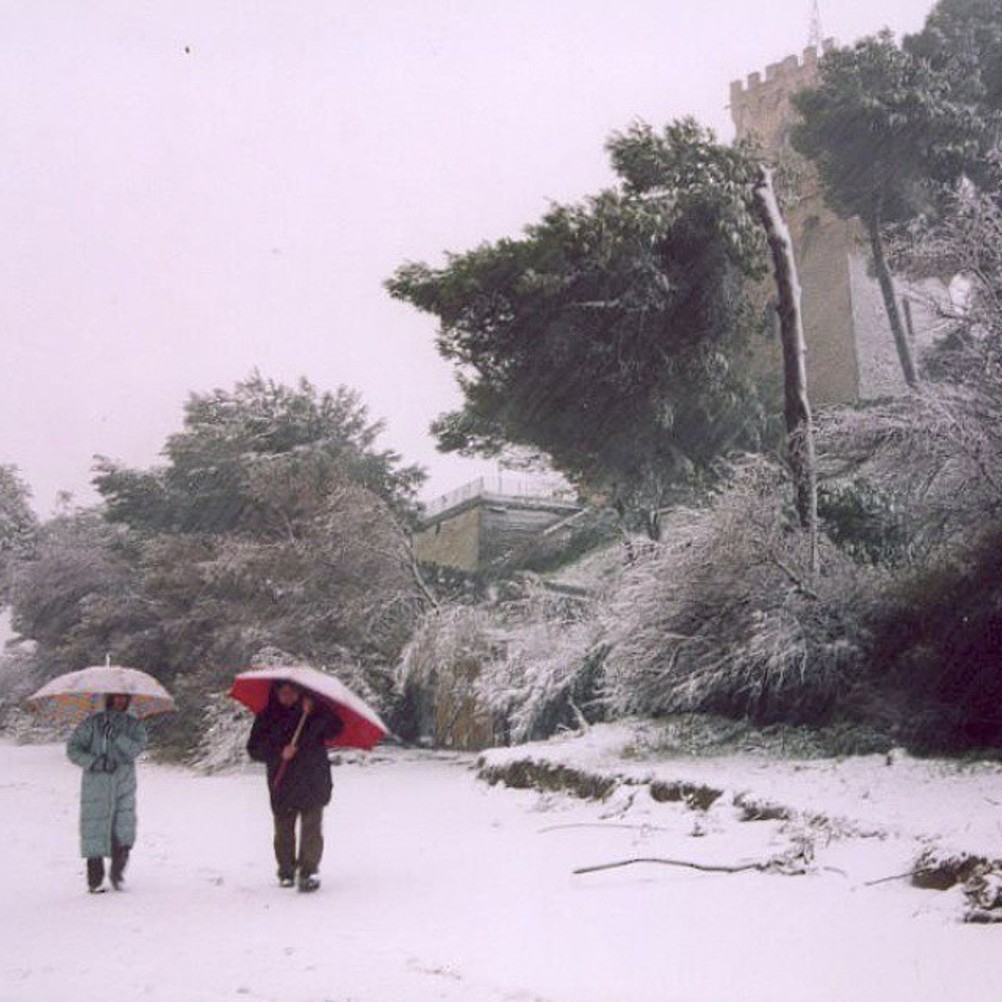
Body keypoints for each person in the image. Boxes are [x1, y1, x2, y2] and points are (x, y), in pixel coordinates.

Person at [247, 680, 344, 892]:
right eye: (283, 692)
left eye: (292, 692)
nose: (288, 696)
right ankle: (286, 870)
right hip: (283, 781)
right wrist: (279, 752)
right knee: (284, 831)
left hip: (313, 778)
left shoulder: (315, 712)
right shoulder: (267, 716)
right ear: (276, 693)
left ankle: (309, 871)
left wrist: (318, 711)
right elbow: (254, 749)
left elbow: (336, 729)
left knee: (312, 829)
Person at [66, 693, 149, 893]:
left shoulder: (133, 725)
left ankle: (117, 874)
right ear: (109, 698)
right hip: (97, 785)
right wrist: (95, 762)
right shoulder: (92, 724)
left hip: (124, 785)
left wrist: (116, 736)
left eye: (123, 698)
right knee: (95, 830)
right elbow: (73, 750)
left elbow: (136, 749)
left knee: (123, 830)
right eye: (116, 697)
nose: (119, 701)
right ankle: (95, 880)